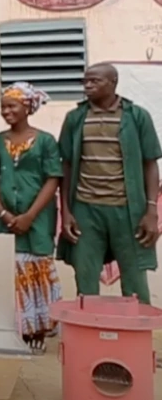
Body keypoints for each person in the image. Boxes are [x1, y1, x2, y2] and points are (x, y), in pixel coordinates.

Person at [58, 63, 160, 303]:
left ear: (113, 82)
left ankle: (136, 327)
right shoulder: (75, 118)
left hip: (128, 211)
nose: (88, 86)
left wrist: (151, 210)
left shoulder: (137, 117)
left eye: (95, 81)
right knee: (85, 279)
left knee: (135, 283)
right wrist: (67, 211)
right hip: (85, 210)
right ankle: (88, 326)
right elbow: (67, 166)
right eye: (85, 81)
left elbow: (150, 163)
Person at [0, 83, 62, 353]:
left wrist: (30, 215)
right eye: (4, 107)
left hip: (38, 219)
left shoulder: (45, 141)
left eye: (12, 106)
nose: (7, 111)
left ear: (27, 108)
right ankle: (16, 327)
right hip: (5, 219)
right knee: (10, 270)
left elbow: (53, 179)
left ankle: (39, 328)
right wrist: (2, 212)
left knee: (37, 268)